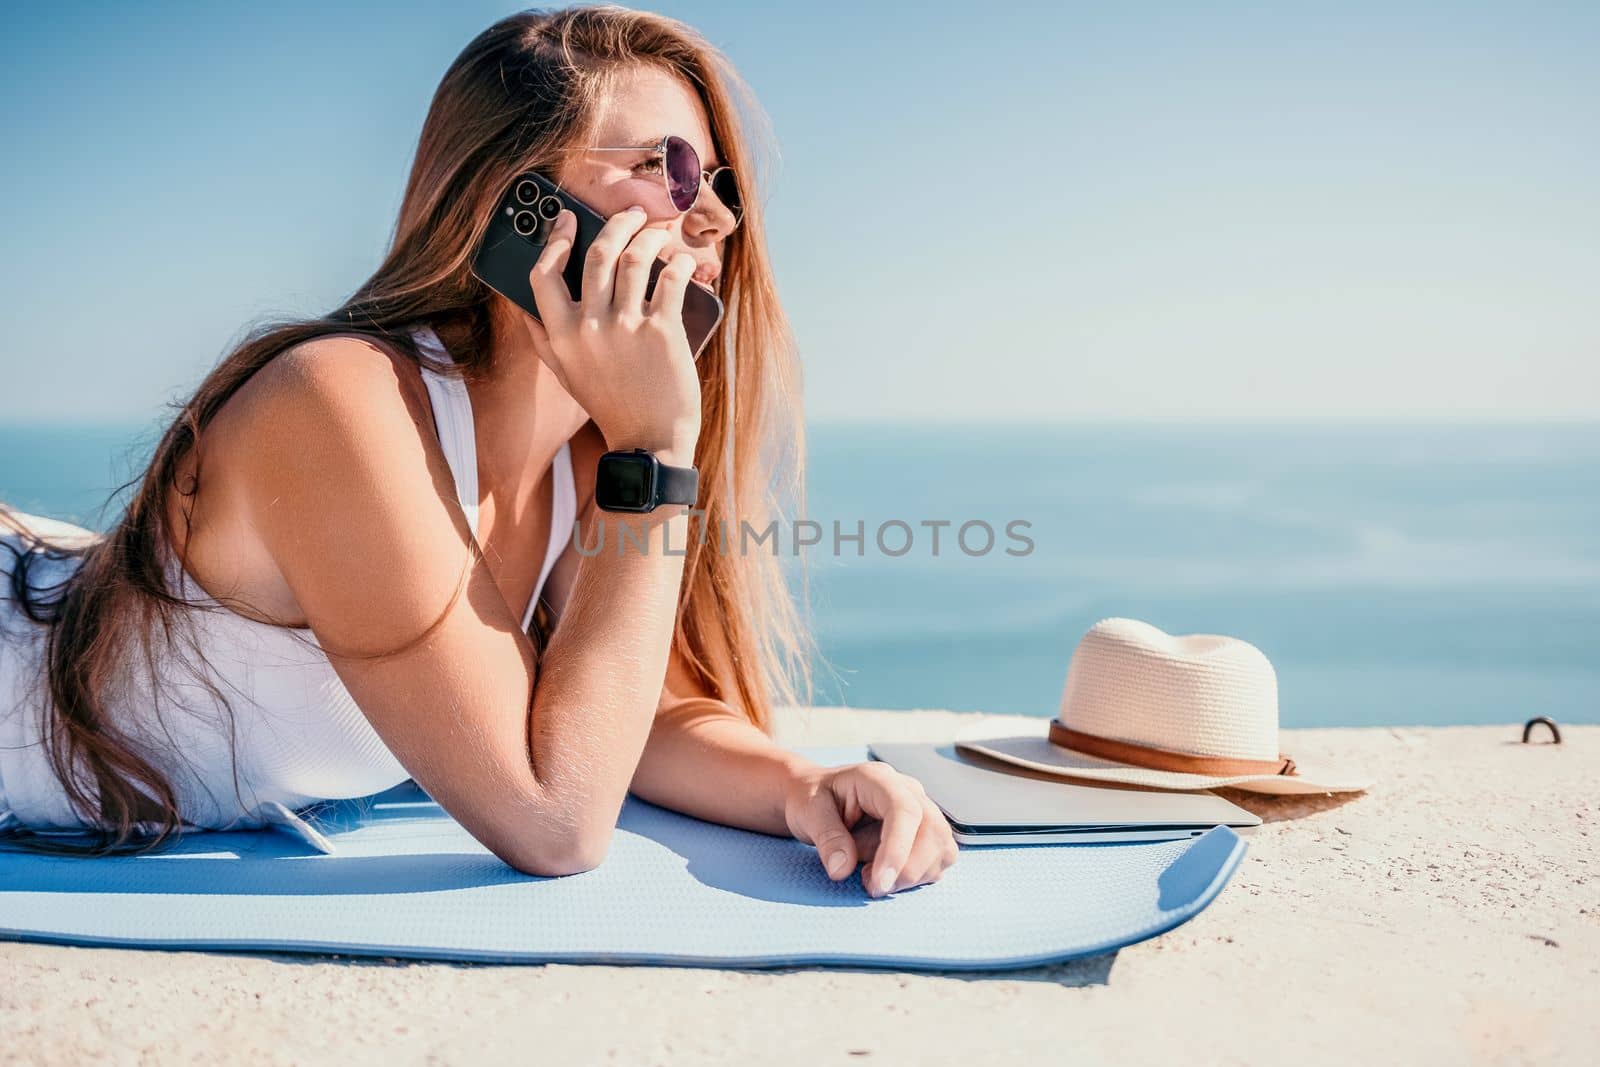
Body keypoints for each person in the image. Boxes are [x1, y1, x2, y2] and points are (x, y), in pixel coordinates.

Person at [0, 5, 956, 899]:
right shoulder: (336, 402)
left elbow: (634, 715)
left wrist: (803, 785)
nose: (710, 220)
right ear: (519, 207)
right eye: (667, 168)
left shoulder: (588, 456)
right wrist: (657, 448)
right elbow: (555, 820)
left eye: (718, 187)